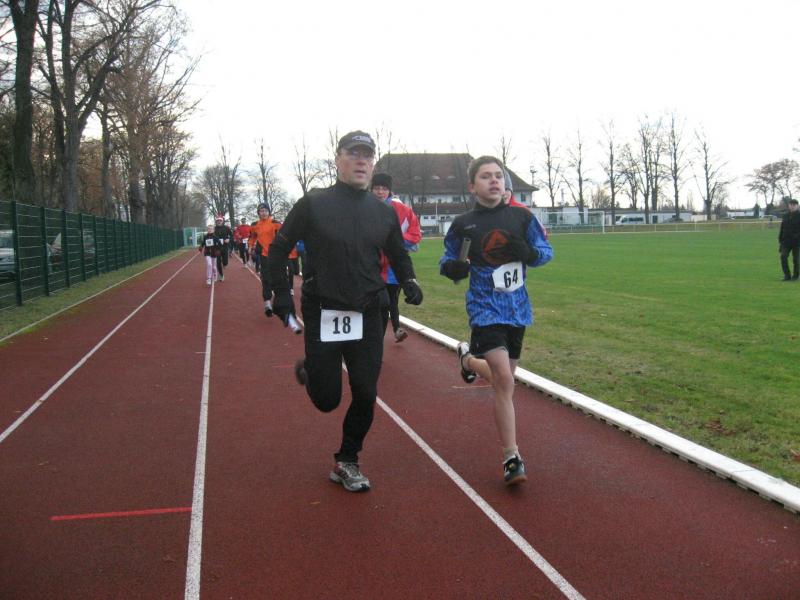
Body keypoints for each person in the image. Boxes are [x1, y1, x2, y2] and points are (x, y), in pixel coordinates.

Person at [268, 130, 423, 492]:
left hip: (368, 311)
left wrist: (409, 280)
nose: (361, 161)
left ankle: (347, 459)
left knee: (366, 391)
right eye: (353, 154)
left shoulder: (382, 212)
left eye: (367, 155)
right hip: (324, 310)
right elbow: (278, 249)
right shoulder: (312, 204)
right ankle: (312, 370)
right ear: (338, 159)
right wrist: (281, 295)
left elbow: (398, 253)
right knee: (327, 400)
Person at [439, 155, 553, 486]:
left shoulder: (522, 217)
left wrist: (529, 254)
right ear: (472, 186)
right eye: (486, 176)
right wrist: (453, 269)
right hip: (484, 307)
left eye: (498, 176)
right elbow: (448, 259)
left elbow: (545, 252)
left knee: (506, 381)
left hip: (517, 309)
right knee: (504, 378)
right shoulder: (464, 224)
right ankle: (511, 457)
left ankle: (468, 360)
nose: (494, 181)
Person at [371, 172, 422, 343]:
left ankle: (389, 333)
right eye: (376, 188)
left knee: (390, 301)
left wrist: (394, 242)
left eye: (384, 188)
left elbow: (415, 234)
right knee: (378, 304)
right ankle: (376, 338)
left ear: (390, 191)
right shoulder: (362, 207)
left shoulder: (403, 211)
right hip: (370, 267)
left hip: (394, 269)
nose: (380, 192)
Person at [248, 203, 282, 315]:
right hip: (263, 255)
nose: (263, 213)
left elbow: (283, 237)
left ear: (269, 212)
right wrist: (250, 246)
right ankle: (267, 303)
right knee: (266, 279)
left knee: (276, 278)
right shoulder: (254, 225)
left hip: (276, 256)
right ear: (258, 213)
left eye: (266, 211)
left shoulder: (276, 224)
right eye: (261, 211)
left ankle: (278, 300)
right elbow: (252, 237)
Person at [779, 198, 800, 281]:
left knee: (796, 260)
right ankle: (787, 275)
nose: (792, 206)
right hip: (786, 241)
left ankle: (796, 276)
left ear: (797, 206)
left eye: (794, 205)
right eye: (791, 205)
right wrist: (780, 238)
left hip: (797, 242)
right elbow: (782, 227)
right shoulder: (785, 215)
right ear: (789, 206)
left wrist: (796, 236)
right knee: (783, 257)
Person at [213, 215, 232, 282]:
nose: (219, 221)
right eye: (218, 220)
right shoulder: (214, 229)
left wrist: (228, 239)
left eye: (220, 220)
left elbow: (231, 235)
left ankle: (224, 264)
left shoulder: (226, 228)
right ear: (216, 221)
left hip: (225, 246)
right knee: (218, 262)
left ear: (222, 221)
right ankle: (221, 275)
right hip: (217, 248)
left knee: (225, 261)